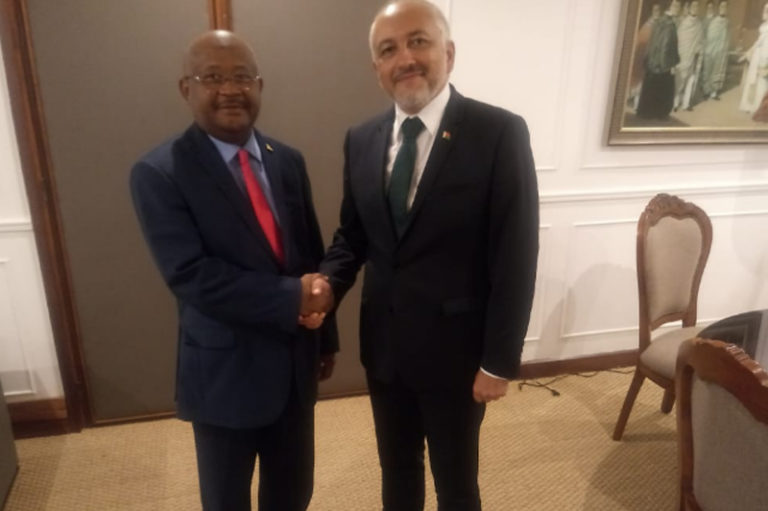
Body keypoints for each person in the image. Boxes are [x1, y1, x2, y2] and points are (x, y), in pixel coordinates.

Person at [318, 1, 539, 509]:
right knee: (396, 470)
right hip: (385, 347)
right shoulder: (361, 139)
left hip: (456, 353)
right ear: (377, 68)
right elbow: (352, 236)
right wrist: (327, 285)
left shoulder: (498, 132)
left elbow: (516, 255)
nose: (405, 59)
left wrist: (499, 361)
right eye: (388, 49)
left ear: (449, 52)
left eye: (418, 41)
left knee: (456, 483)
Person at [129, 30, 337, 511]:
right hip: (224, 377)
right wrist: (292, 297)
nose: (230, 89)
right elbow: (191, 275)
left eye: (242, 77)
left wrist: (325, 339)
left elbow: (310, 253)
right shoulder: (160, 172)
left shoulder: (287, 160)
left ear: (259, 85)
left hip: (293, 366)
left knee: (293, 494)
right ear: (186, 88)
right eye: (212, 77)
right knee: (226, 501)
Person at [637, 1, 682, 119]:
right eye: (676, 6)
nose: (678, 9)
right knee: (664, 88)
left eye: (678, 6)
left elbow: (652, 43)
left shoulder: (659, 21)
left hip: (653, 61)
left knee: (651, 87)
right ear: (670, 7)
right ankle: (659, 114)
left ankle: (646, 112)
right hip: (663, 63)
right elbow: (666, 46)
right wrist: (670, 65)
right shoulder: (670, 25)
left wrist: (650, 60)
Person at [674, 0, 705, 111]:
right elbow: (679, 39)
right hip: (682, 55)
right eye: (694, 6)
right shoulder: (683, 22)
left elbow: (701, 41)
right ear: (690, 7)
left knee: (690, 80)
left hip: (693, 56)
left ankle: (686, 104)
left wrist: (699, 50)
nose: (695, 8)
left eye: (697, 6)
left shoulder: (700, 24)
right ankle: (675, 102)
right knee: (680, 80)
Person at [739, 1, 768, 113]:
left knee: (762, 81)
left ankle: (758, 107)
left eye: (767, 11)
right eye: (764, 10)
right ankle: (749, 105)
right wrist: (749, 52)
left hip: (765, 56)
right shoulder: (763, 26)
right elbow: (758, 42)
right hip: (758, 54)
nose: (764, 13)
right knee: (753, 80)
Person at [701, 1, 730, 100]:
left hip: (720, 51)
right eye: (722, 6)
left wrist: (725, 49)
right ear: (718, 8)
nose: (723, 8)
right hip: (709, 50)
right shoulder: (711, 20)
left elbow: (727, 37)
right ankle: (706, 90)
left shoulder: (727, 22)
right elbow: (705, 34)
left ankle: (714, 91)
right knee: (707, 70)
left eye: (725, 7)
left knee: (717, 71)